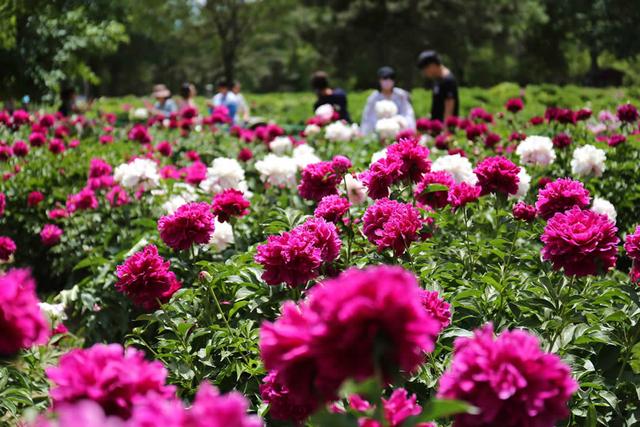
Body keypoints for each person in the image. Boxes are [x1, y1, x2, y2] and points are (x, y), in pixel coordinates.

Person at [361, 66, 416, 135]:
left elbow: (408, 114)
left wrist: (400, 122)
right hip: (379, 133)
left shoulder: (401, 95)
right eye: (384, 78)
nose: (388, 81)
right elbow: (368, 119)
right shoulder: (373, 98)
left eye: (391, 78)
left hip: (399, 133)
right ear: (379, 80)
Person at [417, 50, 459, 121]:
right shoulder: (438, 79)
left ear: (432, 65)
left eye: (425, 69)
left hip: (443, 127)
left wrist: (446, 130)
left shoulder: (448, 80)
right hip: (436, 126)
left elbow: (449, 107)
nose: (425, 73)